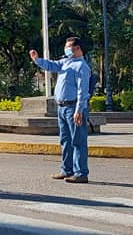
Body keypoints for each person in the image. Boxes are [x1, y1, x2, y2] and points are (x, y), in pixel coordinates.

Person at [30, 37, 92, 183]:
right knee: (65, 140)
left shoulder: (81, 66)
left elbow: (82, 91)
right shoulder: (65, 62)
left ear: (77, 48)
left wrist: (79, 110)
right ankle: (67, 170)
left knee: (78, 141)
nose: (67, 50)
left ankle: (81, 173)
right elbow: (52, 65)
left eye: (69, 47)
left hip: (74, 107)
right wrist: (37, 60)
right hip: (62, 107)